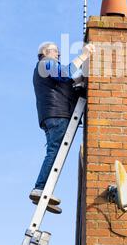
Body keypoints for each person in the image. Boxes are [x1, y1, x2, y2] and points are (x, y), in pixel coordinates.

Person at [30, 41, 95, 213]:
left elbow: (66, 83)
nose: (58, 54)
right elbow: (64, 74)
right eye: (55, 51)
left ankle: (44, 191)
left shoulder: (46, 70)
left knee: (55, 152)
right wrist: (84, 55)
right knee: (54, 152)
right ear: (44, 52)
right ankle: (40, 188)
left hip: (54, 114)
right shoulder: (45, 64)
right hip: (57, 115)